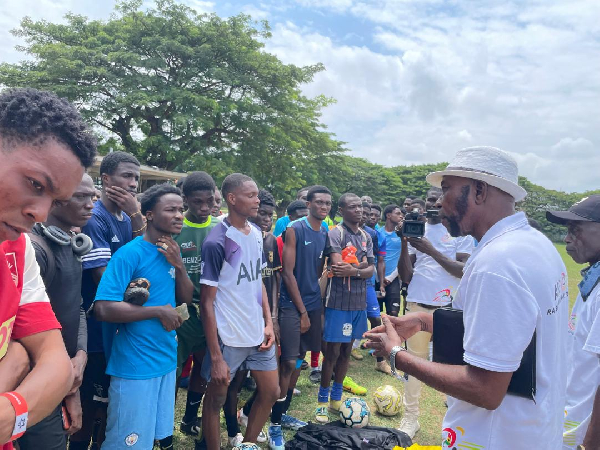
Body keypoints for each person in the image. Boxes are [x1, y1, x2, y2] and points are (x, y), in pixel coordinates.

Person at [366, 146, 569, 450]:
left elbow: (484, 390)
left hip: (497, 437)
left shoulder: (497, 264)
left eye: (446, 190)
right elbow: (503, 327)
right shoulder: (535, 244)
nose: (439, 202)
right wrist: (422, 320)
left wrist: (397, 354)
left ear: (478, 191)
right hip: (532, 429)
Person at [0, 88, 96, 448]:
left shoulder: (16, 248)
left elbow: (55, 365)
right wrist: (18, 361)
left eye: (53, 200)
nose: (40, 213)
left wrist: (11, 413)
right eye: (35, 184)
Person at [93, 183, 192, 450]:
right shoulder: (130, 254)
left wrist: (179, 265)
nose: (179, 215)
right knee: (126, 443)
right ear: (148, 214)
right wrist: (158, 311)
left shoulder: (172, 250)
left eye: (181, 209)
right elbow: (103, 308)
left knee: (149, 441)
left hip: (165, 360)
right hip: (135, 367)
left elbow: (185, 298)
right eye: (170, 209)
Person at [198, 174, 278, 450]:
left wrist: (268, 323)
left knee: (271, 392)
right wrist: (216, 357)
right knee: (215, 401)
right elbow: (206, 303)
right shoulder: (217, 242)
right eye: (251, 195)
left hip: (258, 333)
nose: (258, 200)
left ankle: (249, 445)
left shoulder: (256, 234)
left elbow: (258, 284)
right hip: (229, 337)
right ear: (232, 199)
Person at [17, 174, 95, 449]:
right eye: (81, 196)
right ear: (57, 199)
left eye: (93, 197)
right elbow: (21, 335)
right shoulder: (36, 251)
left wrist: (81, 357)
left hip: (63, 376)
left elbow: (78, 307)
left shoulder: (70, 244)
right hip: (34, 383)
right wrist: (63, 381)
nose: (90, 204)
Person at [72, 151, 142, 450]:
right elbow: (104, 280)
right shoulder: (94, 218)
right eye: (127, 176)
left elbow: (143, 263)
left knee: (108, 400)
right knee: (90, 402)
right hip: (96, 326)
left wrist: (137, 214)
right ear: (106, 179)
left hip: (118, 324)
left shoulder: (127, 219)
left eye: (136, 178)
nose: (133, 183)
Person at [396, 187, 473, 438]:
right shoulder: (416, 229)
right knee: (414, 365)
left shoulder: (459, 231)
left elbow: (462, 270)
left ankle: (455, 419)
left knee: (453, 366)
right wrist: (403, 242)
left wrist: (431, 250)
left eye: (439, 201)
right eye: (430, 200)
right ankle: (410, 418)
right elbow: (406, 275)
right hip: (417, 305)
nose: (434, 205)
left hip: (449, 309)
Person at [269, 185, 332, 450]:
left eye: (328, 203)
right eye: (319, 202)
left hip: (312, 303)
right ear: (308, 204)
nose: (324, 207)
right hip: (292, 306)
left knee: (298, 362)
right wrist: (303, 312)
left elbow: (319, 270)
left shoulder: (326, 231)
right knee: (288, 363)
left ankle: (282, 414)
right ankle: (272, 425)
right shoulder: (295, 229)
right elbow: (287, 273)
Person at [546, 195, 600, 449]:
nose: (567, 238)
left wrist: (590, 444)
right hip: (571, 422)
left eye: (576, 230)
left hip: (584, 435)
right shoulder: (592, 280)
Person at [315, 194, 374, 423]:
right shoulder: (336, 233)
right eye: (353, 207)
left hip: (358, 302)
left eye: (360, 206)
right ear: (341, 210)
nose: (358, 210)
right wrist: (360, 268)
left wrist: (356, 270)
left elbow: (370, 270)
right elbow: (338, 267)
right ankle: (321, 402)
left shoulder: (366, 236)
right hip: (338, 301)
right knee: (332, 353)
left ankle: (336, 399)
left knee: (347, 352)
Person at [173, 172, 219, 438]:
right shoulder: (176, 228)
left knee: (204, 368)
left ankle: (190, 418)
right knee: (174, 372)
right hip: (180, 312)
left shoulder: (220, 228)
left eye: (209, 201)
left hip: (211, 312)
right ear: (186, 199)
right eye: (197, 202)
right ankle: (163, 424)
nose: (204, 208)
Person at [236, 189, 281, 445]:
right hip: (239, 318)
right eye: (261, 213)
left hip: (262, 316)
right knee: (235, 380)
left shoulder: (270, 240)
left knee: (271, 385)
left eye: (270, 215)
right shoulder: (236, 238)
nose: (266, 219)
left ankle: (247, 420)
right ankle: (233, 426)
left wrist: (272, 316)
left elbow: (271, 280)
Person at [356, 202, 390, 374]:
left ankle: (380, 359)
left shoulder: (372, 234)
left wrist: (380, 282)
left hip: (367, 282)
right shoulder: (338, 232)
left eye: (367, 213)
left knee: (375, 318)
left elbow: (376, 261)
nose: (364, 216)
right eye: (362, 212)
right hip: (347, 283)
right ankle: (339, 359)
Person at [377, 205, 404, 316]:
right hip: (377, 279)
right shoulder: (378, 233)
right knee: (375, 315)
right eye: (398, 213)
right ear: (388, 215)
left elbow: (404, 257)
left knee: (393, 313)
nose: (401, 216)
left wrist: (391, 277)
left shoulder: (401, 235)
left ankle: (391, 334)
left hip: (393, 278)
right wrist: (380, 278)